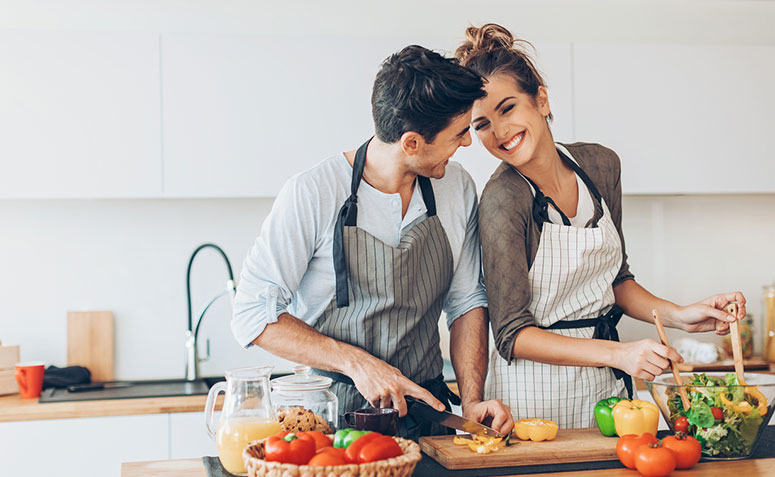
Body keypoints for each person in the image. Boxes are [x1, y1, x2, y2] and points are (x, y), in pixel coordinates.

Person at [454, 24, 747, 428]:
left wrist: (679, 315)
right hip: (533, 400)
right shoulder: (503, 200)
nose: (499, 132)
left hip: (607, 392)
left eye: (507, 108)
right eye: (481, 124)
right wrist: (619, 354)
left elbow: (616, 280)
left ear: (540, 98)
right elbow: (511, 334)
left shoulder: (600, 166)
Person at [231, 45, 513, 438]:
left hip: (426, 418)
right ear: (411, 143)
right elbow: (252, 314)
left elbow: (466, 302)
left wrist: (470, 402)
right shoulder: (313, 193)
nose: (466, 143)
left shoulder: (457, 187)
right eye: (458, 134)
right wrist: (358, 364)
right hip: (332, 422)